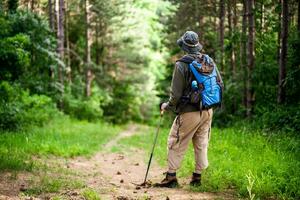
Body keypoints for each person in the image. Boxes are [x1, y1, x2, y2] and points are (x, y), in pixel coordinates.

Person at [157, 31, 223, 188]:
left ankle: (171, 178)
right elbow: (219, 82)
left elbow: (176, 93)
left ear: (184, 46)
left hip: (189, 112)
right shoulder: (208, 60)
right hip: (207, 110)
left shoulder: (182, 64)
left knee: (176, 141)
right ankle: (197, 178)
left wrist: (168, 106)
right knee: (201, 142)